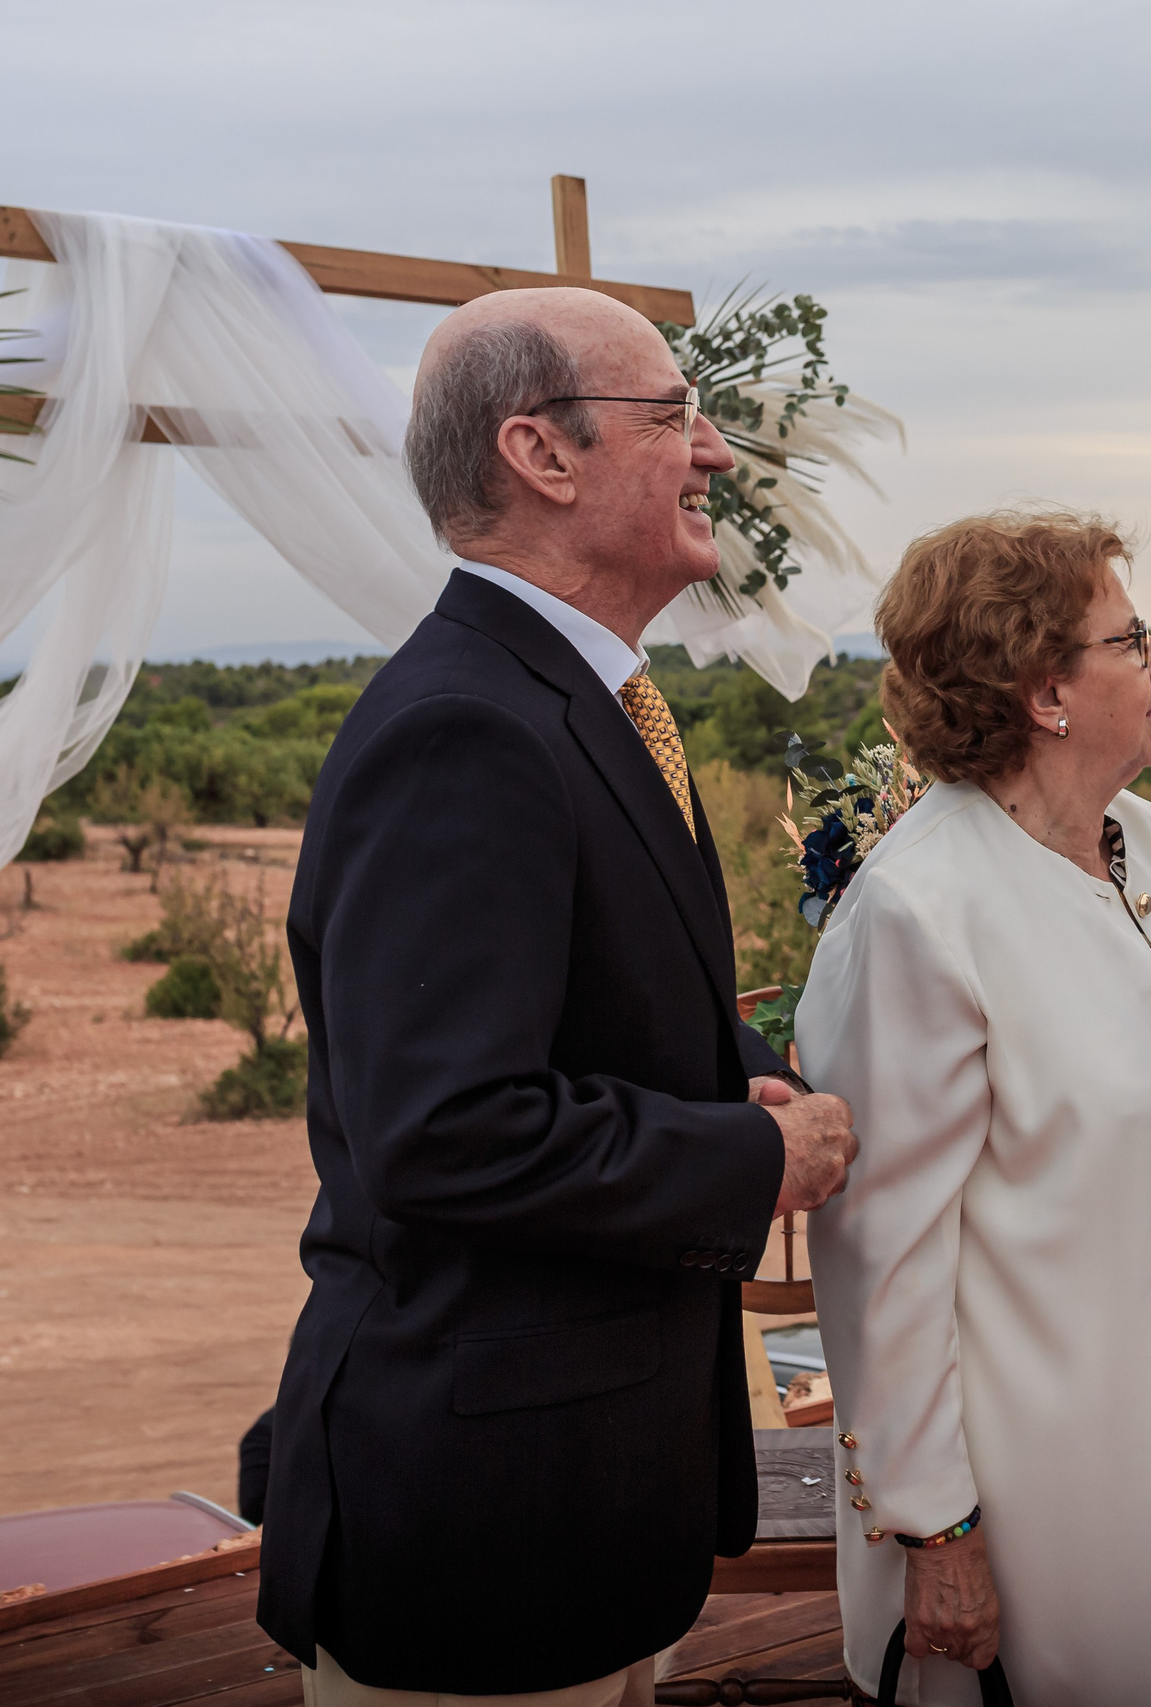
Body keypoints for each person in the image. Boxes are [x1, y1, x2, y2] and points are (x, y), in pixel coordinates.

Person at [257, 287, 858, 1705]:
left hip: (579, 1502)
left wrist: (738, 1073)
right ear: (543, 453)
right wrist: (754, 1154)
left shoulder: (576, 699)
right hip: (482, 1533)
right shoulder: (469, 727)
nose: (713, 452)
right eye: (674, 415)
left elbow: (593, 1014)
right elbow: (450, 1127)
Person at [801, 512, 1151, 1707]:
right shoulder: (922, 908)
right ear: (1044, 692)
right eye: (1131, 640)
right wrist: (935, 1528)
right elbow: (883, 1258)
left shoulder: (1145, 843)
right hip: (1055, 1488)